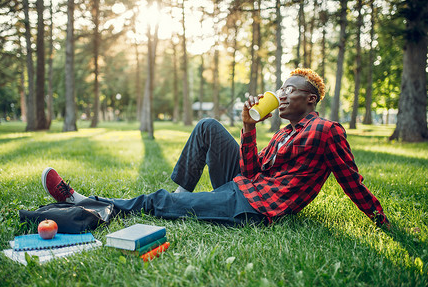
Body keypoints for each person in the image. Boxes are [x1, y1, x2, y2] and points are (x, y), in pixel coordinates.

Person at [42, 68, 389, 228]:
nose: (281, 94)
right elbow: (252, 170)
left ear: (310, 98)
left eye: (289, 90)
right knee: (208, 125)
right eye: (281, 88)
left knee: (158, 201)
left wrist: (380, 219)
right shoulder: (285, 132)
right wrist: (249, 127)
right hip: (245, 185)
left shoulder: (327, 131)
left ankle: (81, 203)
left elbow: (351, 180)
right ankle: (182, 196)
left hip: (255, 206)